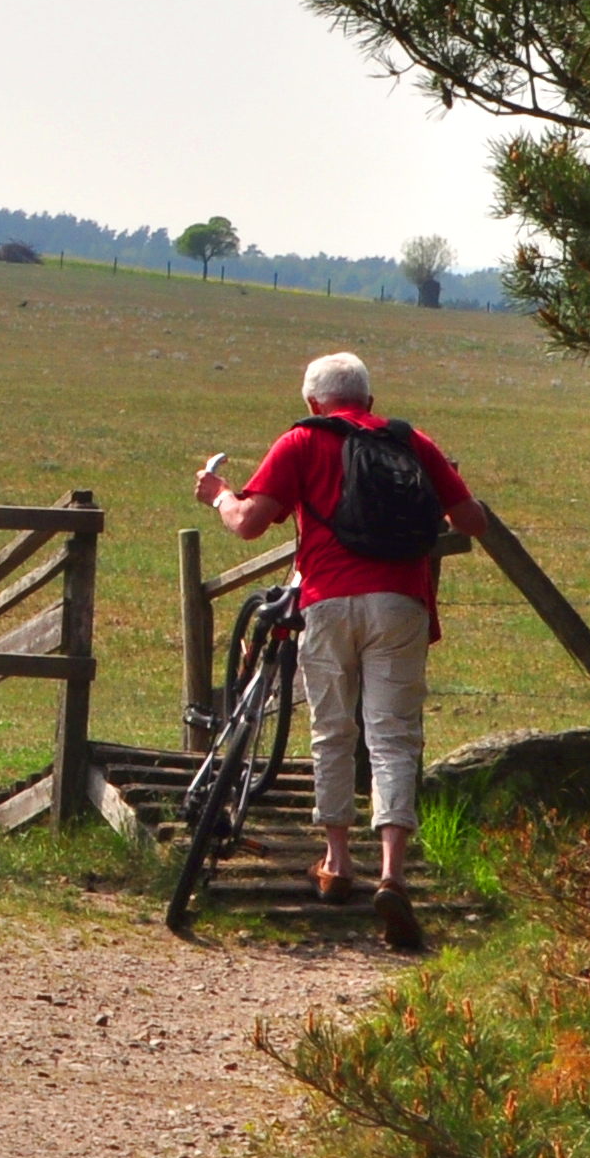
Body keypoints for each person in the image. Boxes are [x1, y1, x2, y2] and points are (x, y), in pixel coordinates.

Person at [193, 350, 483, 950]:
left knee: (331, 731)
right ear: (371, 403)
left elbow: (249, 522)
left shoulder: (301, 440)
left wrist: (220, 494)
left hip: (326, 601)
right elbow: (472, 520)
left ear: (312, 403)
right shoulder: (413, 442)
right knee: (393, 735)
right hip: (403, 602)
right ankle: (394, 874)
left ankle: (336, 863)